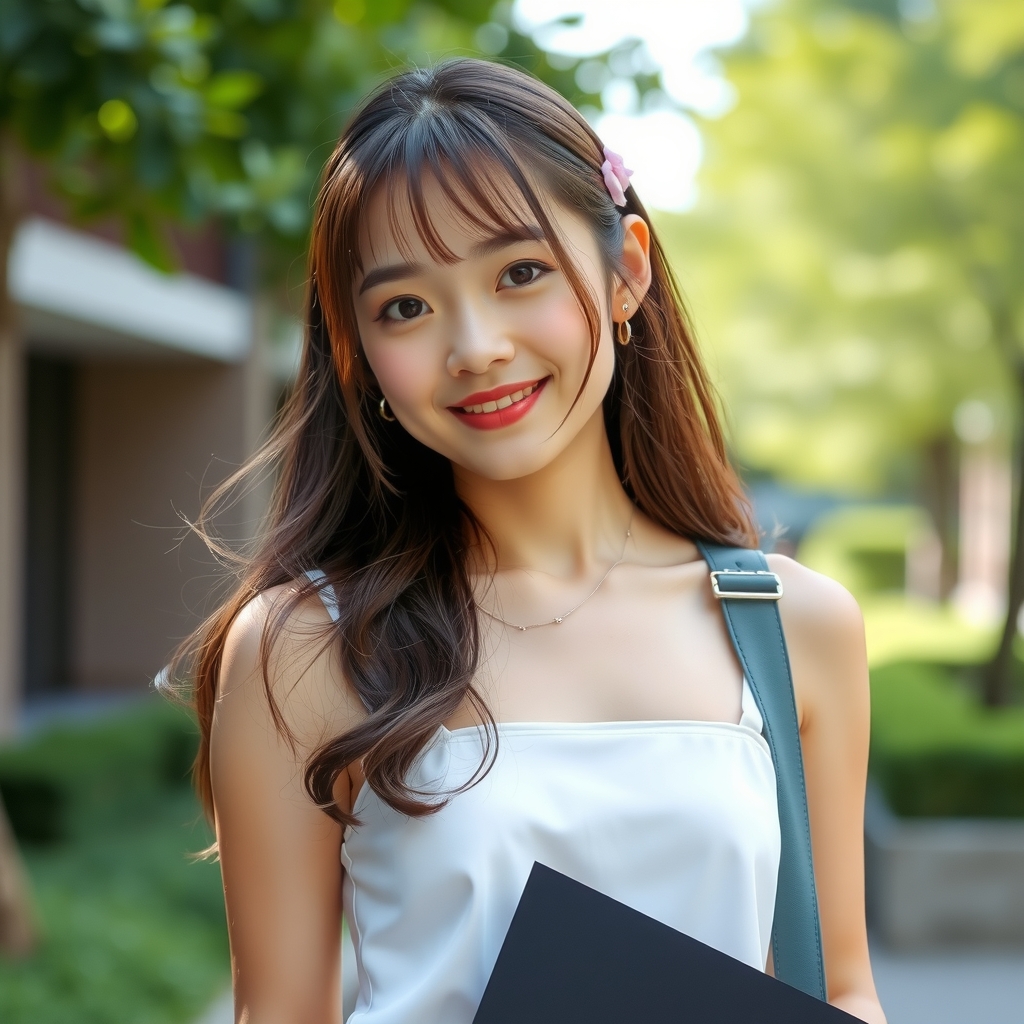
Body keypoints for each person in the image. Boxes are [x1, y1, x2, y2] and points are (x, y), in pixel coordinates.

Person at [179, 58, 887, 1024]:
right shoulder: (306, 644)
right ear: (359, 350)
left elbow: (838, 989)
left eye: (521, 273)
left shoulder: (791, 627)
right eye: (407, 307)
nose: (475, 345)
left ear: (625, 271)